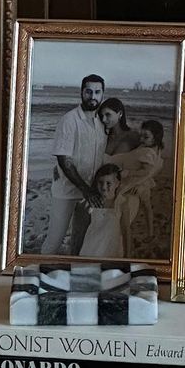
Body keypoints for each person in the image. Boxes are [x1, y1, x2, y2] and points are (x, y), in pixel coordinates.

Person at [41, 73, 107, 255]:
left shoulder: (103, 122)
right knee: (55, 239)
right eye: (88, 92)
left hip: (91, 192)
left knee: (81, 240)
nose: (93, 96)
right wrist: (86, 189)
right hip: (67, 191)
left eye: (97, 92)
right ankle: (35, 273)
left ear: (103, 94)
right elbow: (64, 160)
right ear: (81, 93)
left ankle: (74, 276)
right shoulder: (69, 120)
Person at [114, 119, 165, 255]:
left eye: (146, 137)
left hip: (140, 182)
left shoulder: (148, 152)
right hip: (144, 182)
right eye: (141, 136)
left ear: (156, 137)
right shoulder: (156, 148)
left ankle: (148, 233)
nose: (142, 139)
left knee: (136, 206)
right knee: (147, 206)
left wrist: (129, 173)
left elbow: (146, 171)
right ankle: (150, 232)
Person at [80, 163, 124, 258]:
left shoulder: (121, 203)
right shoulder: (92, 203)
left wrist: (127, 257)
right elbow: (82, 230)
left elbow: (126, 231)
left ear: (117, 183)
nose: (104, 187)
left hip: (112, 248)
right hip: (92, 249)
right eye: (100, 182)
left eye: (108, 183)